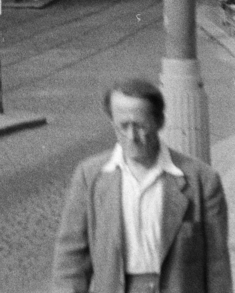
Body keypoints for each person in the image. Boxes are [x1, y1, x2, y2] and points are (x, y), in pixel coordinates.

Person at [51, 76, 231, 293]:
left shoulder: (201, 180)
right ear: (112, 122)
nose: (131, 136)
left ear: (159, 122)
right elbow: (71, 260)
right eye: (122, 126)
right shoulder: (90, 177)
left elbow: (217, 263)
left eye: (140, 126)